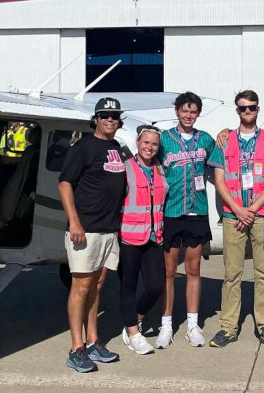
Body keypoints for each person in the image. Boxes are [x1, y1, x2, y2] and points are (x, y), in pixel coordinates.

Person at [207, 89, 264, 349]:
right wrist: (238, 209)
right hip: (232, 216)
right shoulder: (224, 141)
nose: (247, 111)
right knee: (232, 274)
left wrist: (250, 209)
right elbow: (219, 180)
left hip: (260, 216)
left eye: (251, 107)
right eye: (242, 108)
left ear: (258, 109)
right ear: (237, 110)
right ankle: (229, 327)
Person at [58, 97, 126, 373]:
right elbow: (64, 184)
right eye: (105, 116)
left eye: (114, 116)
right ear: (95, 119)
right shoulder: (83, 147)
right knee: (81, 286)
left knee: (97, 285)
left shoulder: (117, 149)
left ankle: (93, 340)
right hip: (85, 229)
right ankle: (76, 348)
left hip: (108, 230)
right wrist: (74, 222)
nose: (110, 120)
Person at [156, 92, 216, 348]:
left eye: (193, 112)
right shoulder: (164, 140)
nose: (188, 116)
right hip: (171, 211)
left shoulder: (206, 140)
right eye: (184, 111)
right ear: (177, 112)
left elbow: (219, 165)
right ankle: (166, 324)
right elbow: (153, 168)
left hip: (197, 211)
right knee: (168, 271)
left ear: (198, 113)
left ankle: (193, 324)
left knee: (193, 270)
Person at [118, 125, 167, 355]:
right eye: (146, 143)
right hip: (129, 237)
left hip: (154, 236)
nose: (150, 147)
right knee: (128, 285)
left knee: (156, 285)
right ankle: (133, 332)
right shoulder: (125, 168)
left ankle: (134, 317)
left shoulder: (160, 169)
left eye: (154, 144)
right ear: (137, 143)